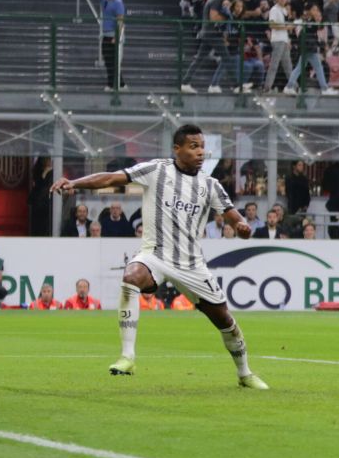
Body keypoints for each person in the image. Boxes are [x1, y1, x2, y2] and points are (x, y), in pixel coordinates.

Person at [50, 124, 268, 389]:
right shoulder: (156, 170)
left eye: (202, 147)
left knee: (224, 319)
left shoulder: (210, 185)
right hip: (155, 256)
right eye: (194, 146)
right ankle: (127, 356)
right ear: (177, 149)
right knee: (131, 276)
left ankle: (245, 373)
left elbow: (235, 220)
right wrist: (73, 183)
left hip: (191, 265)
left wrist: (243, 228)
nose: (201, 152)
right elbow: (110, 178)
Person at [90, 0, 126, 91]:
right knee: (108, 60)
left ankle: (113, 84)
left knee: (113, 61)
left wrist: (117, 36)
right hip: (106, 34)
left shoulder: (118, 2)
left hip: (114, 35)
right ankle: (120, 84)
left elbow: (120, 20)